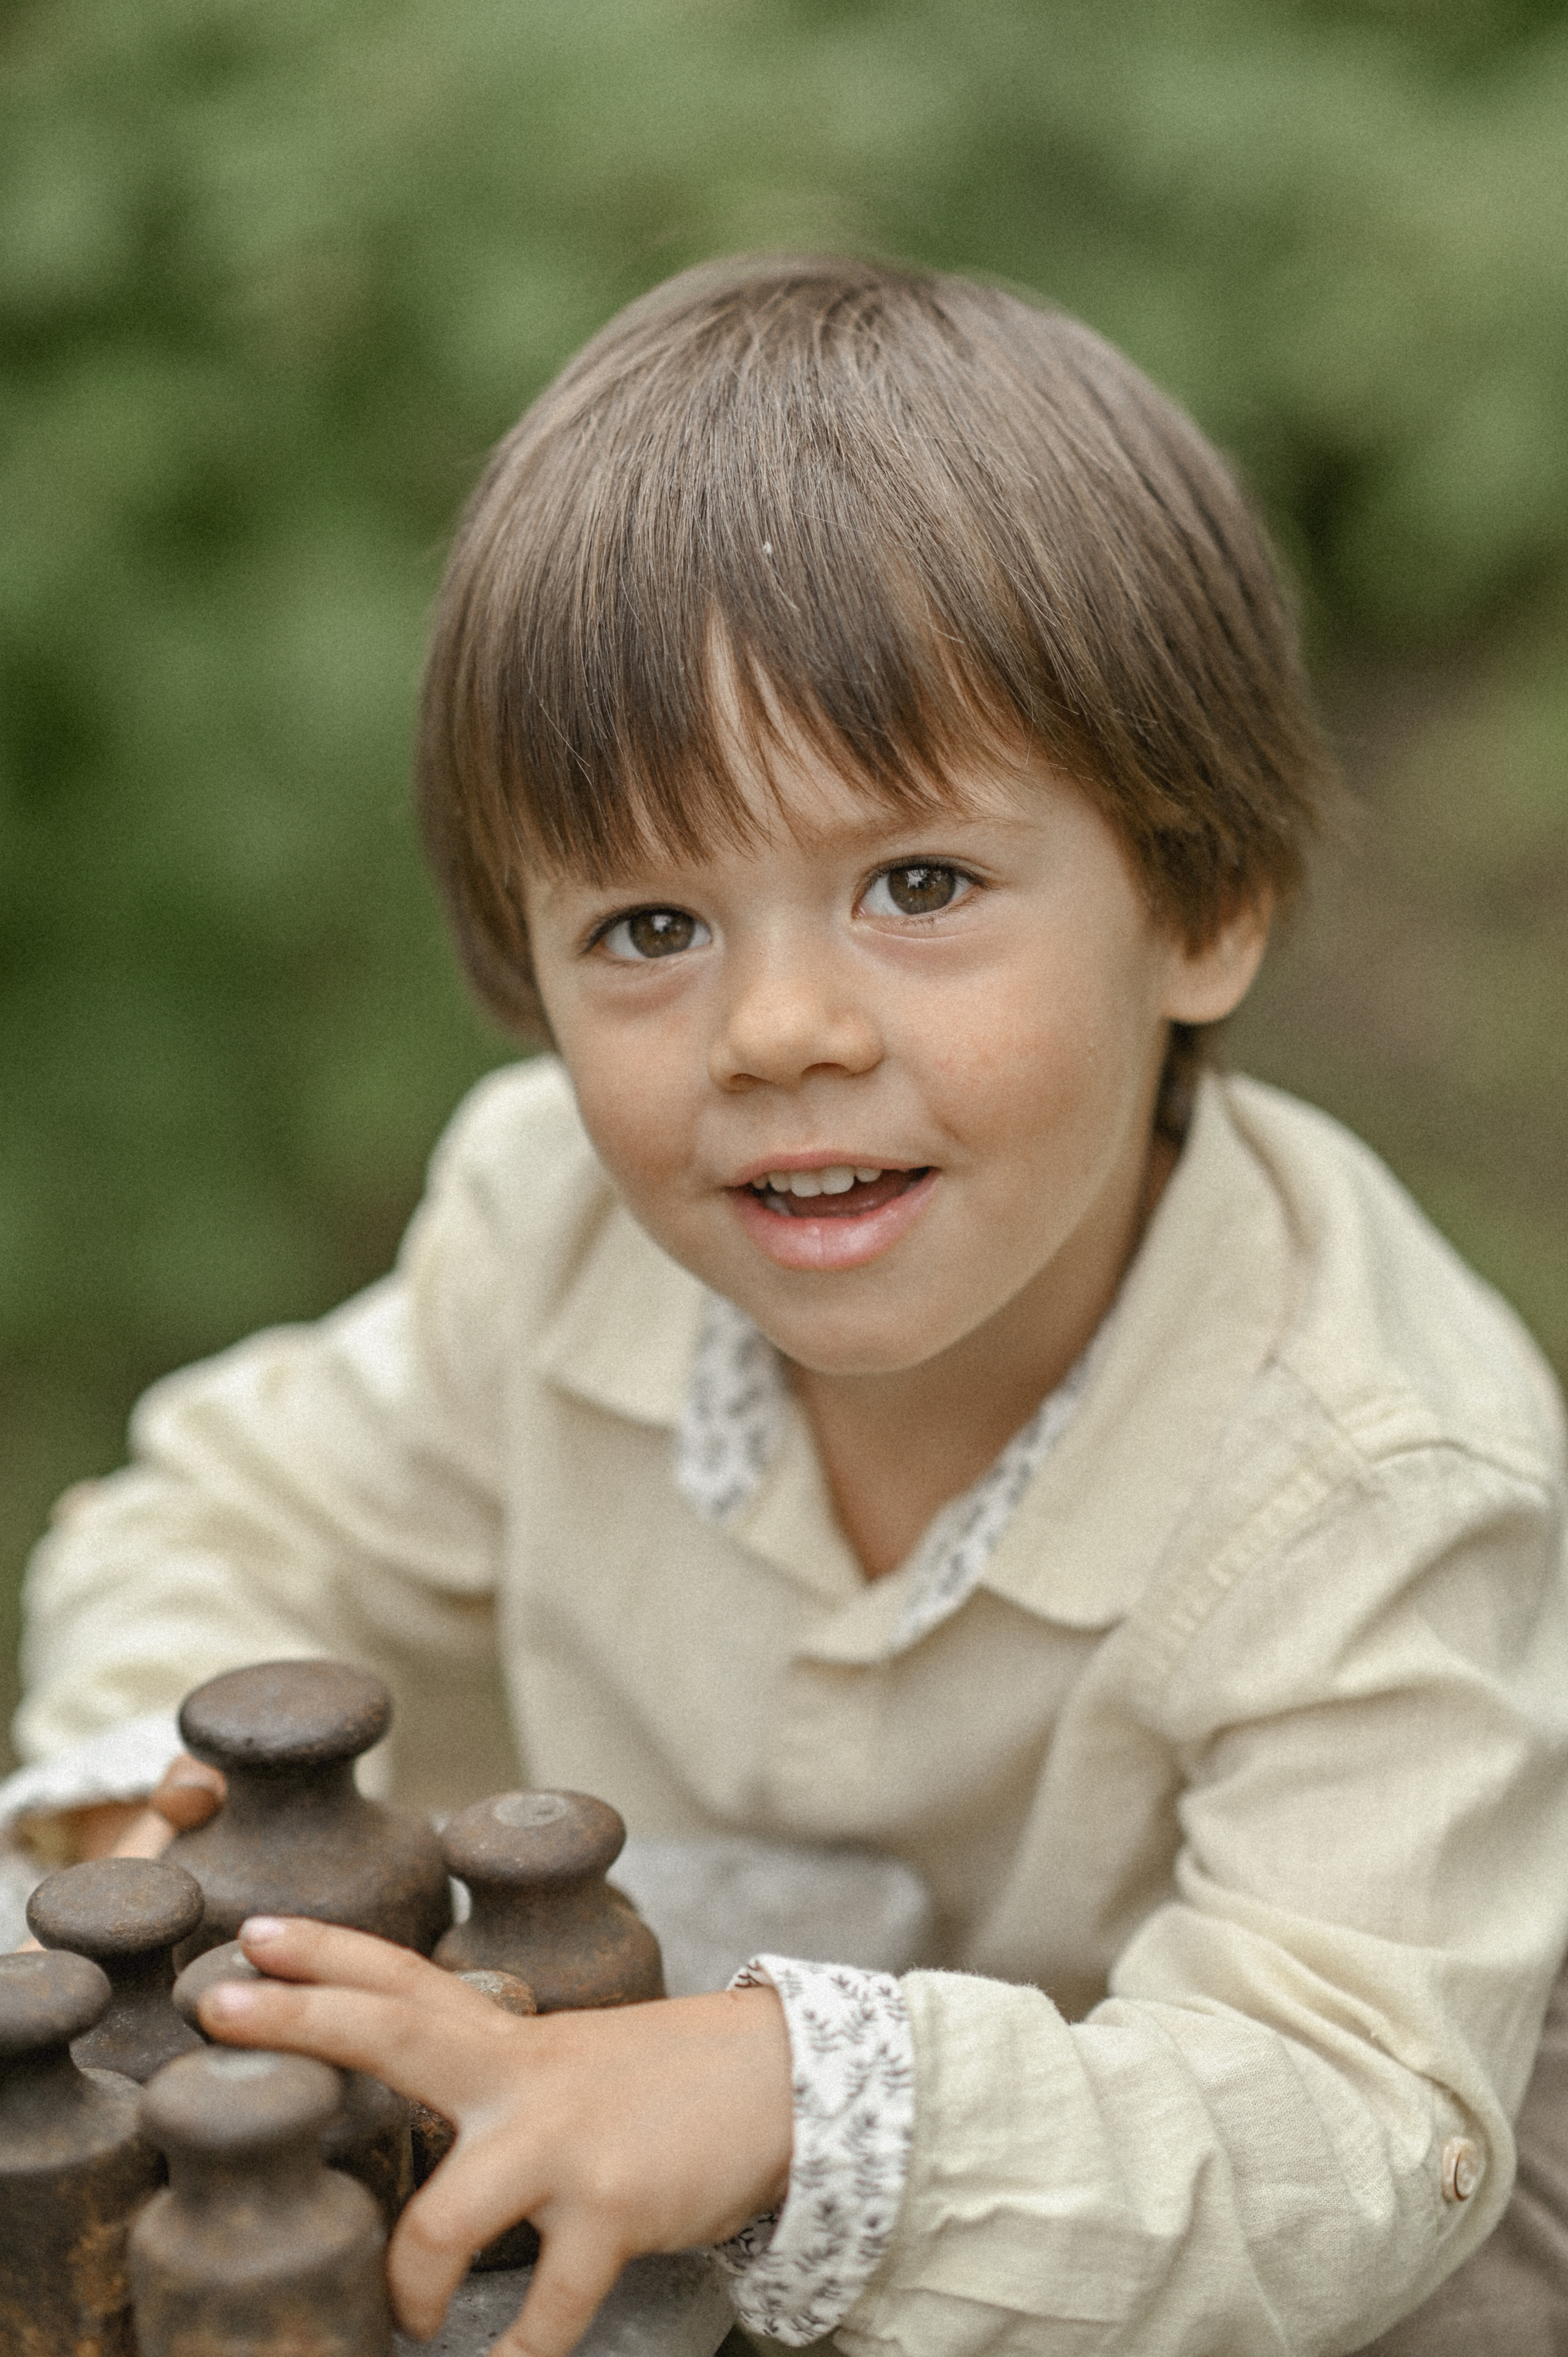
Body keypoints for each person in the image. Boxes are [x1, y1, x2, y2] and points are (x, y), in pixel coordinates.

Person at [6, 256, 1568, 2357]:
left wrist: (790, 2102)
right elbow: (215, 1519)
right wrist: (156, 1811)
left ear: (1200, 903)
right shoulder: (545, 1223)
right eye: (649, 921)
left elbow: (1357, 2125)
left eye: (916, 886)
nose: (780, 1028)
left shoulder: (1377, 1470)